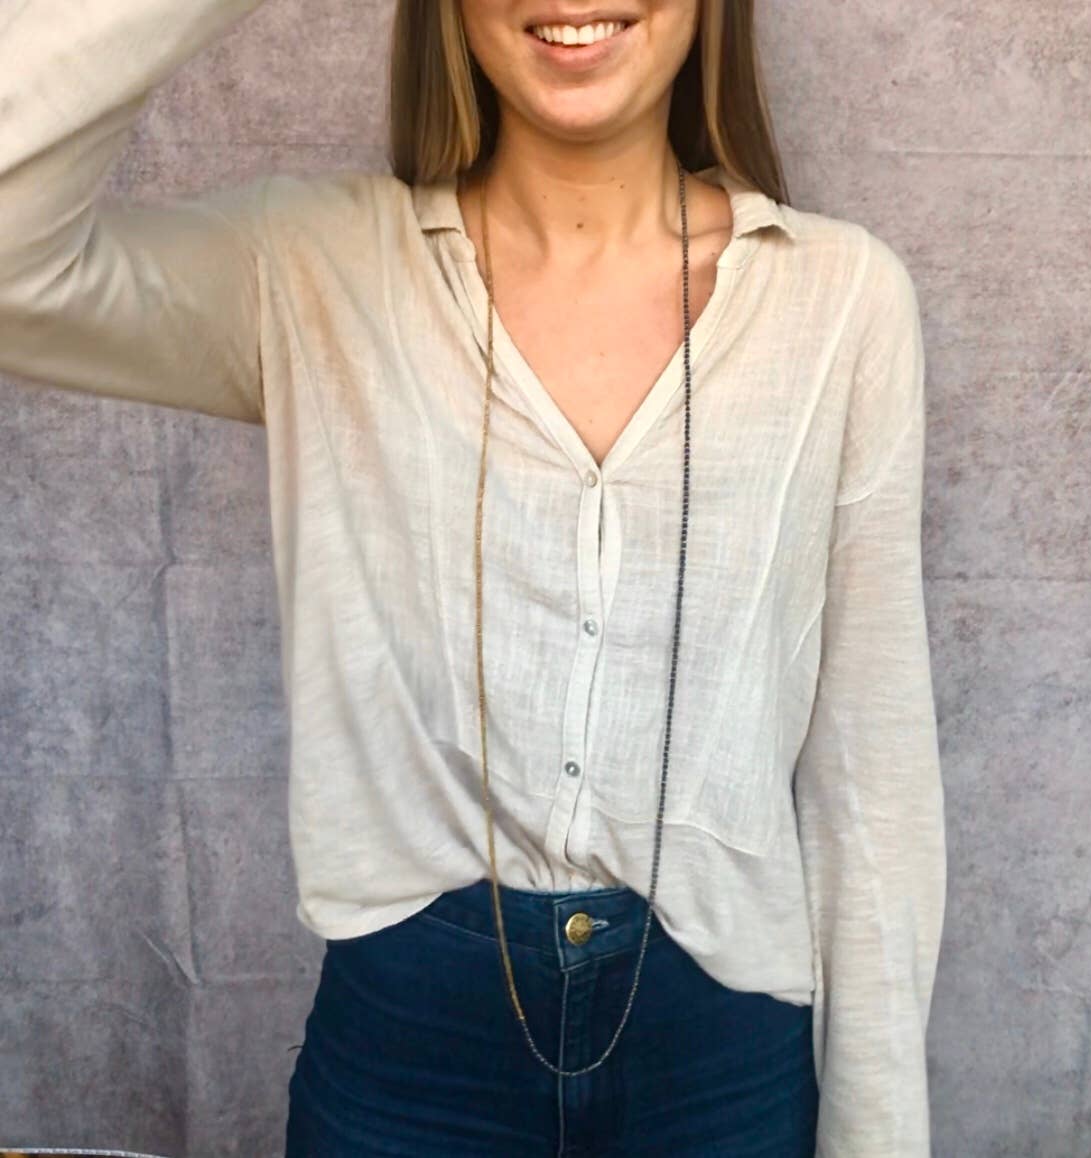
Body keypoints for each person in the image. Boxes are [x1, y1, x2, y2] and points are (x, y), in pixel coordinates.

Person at [0, 0, 947, 1155]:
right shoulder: (313, 270)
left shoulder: (841, 302)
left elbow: (871, 781)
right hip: (407, 1060)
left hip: (725, 1062)